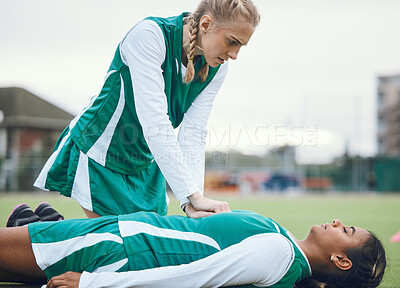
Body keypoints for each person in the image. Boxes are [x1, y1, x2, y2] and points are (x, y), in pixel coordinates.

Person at [32, 0, 260, 219]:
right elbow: (155, 122)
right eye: (232, 41)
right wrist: (192, 196)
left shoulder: (218, 69)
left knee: (146, 253)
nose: (235, 55)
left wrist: (194, 201)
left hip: (145, 166)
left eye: (241, 46)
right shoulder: (149, 35)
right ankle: (34, 234)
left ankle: (39, 224)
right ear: (206, 24)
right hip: (101, 154)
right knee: (113, 251)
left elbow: (194, 133)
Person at [0, 210, 386, 288]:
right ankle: (37, 221)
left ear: (340, 258)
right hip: (125, 236)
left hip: (122, 247)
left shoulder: (279, 254)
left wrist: (92, 284)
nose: (337, 221)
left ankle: (36, 223)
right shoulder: (284, 243)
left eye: (347, 229)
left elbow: (193, 277)